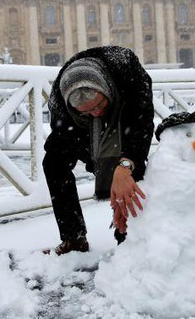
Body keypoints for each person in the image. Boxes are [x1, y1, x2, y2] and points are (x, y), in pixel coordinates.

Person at [43, 46, 154, 255]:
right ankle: (73, 238)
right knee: (53, 163)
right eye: (87, 111)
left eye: (98, 105)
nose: (96, 113)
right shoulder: (60, 103)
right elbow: (66, 137)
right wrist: (100, 168)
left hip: (124, 110)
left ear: (104, 89)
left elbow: (142, 125)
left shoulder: (127, 70)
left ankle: (129, 238)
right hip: (80, 127)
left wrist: (124, 166)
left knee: (128, 170)